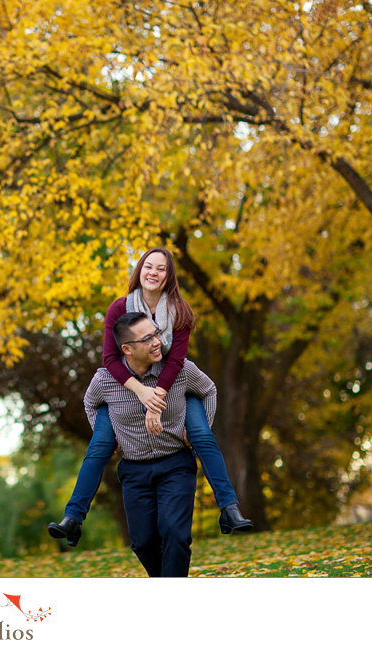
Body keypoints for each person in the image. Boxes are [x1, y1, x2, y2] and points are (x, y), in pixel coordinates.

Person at [48, 247, 251, 547]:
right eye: (148, 266)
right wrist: (141, 392)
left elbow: (176, 361)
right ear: (139, 270)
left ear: (169, 277)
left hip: (174, 382)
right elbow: (110, 358)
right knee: (99, 446)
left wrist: (156, 401)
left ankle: (229, 509)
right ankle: (74, 518)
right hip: (128, 385)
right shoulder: (119, 308)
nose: (153, 273)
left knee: (202, 436)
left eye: (161, 269)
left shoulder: (179, 311)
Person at [84, 311, 213, 576]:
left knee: (175, 535)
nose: (157, 342)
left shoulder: (180, 369)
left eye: (156, 333)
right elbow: (90, 403)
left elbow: (209, 389)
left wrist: (200, 430)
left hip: (176, 463)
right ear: (127, 349)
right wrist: (108, 437)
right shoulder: (105, 380)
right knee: (143, 544)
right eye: (147, 339)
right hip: (134, 470)